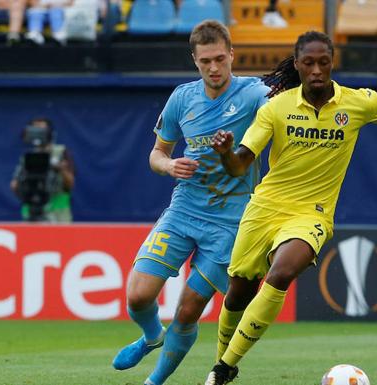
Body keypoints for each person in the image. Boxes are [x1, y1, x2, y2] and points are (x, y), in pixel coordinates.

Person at [203, 30, 377, 385]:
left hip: (312, 213)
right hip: (265, 208)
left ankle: (222, 368)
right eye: (309, 63)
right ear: (298, 64)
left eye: (324, 62)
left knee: (281, 273)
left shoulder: (357, 102)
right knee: (240, 290)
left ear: (332, 62)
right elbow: (240, 164)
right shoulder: (276, 107)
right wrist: (226, 153)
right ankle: (222, 363)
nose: (317, 70)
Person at [111, 20, 276, 385]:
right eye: (205, 62)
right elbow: (156, 153)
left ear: (232, 55)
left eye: (220, 59)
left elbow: (288, 111)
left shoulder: (254, 94)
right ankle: (152, 336)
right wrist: (169, 164)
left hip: (230, 225)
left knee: (187, 313)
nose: (214, 68)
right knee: (138, 296)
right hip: (184, 211)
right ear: (195, 61)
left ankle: (154, 382)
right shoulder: (182, 99)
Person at [10, 117, 75, 222]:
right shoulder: (28, 158)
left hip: (57, 216)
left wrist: (60, 169)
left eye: (41, 129)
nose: (37, 133)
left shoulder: (61, 152)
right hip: (31, 215)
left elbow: (70, 184)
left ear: (49, 132)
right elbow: (14, 185)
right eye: (34, 129)